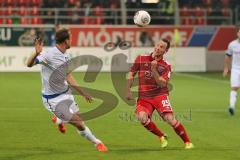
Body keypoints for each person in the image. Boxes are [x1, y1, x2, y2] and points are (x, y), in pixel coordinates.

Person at [26, 28, 108, 152]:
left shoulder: (65, 55)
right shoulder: (49, 54)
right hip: (52, 99)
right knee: (79, 123)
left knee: (80, 120)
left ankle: (59, 120)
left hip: (66, 94)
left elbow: (68, 75)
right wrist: (36, 53)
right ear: (65, 41)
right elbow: (29, 64)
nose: (72, 41)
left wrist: (83, 93)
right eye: (70, 38)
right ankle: (97, 143)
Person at [125, 39, 194, 149]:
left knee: (169, 119)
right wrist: (127, 90)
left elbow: (163, 84)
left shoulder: (166, 65)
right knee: (142, 117)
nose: (158, 48)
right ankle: (161, 136)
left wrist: (154, 70)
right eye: (158, 45)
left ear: (166, 51)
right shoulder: (141, 58)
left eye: (162, 47)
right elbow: (131, 74)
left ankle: (188, 142)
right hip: (144, 97)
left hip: (159, 95)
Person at [223, 27, 240, 116]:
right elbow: (227, 56)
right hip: (235, 69)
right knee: (234, 87)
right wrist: (226, 68)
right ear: (237, 34)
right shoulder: (232, 44)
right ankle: (231, 107)